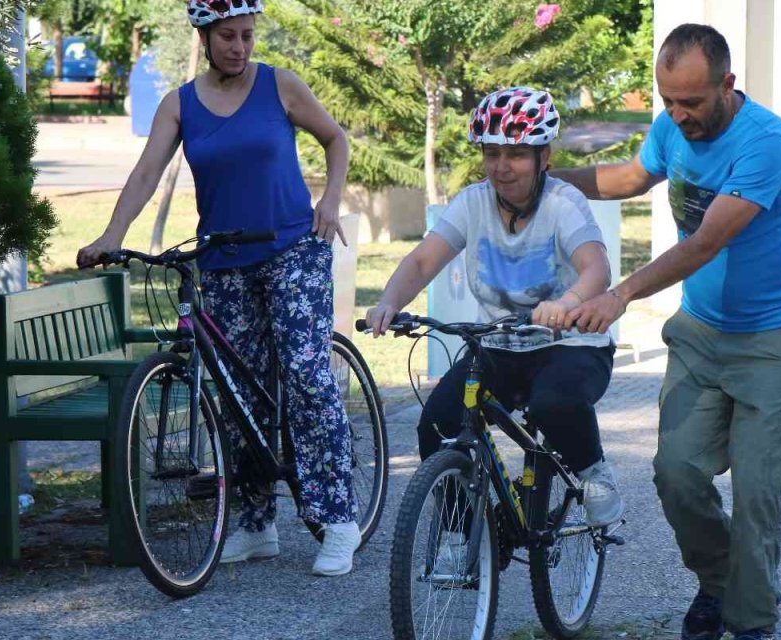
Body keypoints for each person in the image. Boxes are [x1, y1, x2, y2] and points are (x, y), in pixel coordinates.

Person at [76, 0, 362, 577]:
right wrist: (111, 234)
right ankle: (256, 525)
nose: (239, 46)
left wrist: (329, 200)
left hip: (291, 251)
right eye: (228, 36)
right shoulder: (179, 105)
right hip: (224, 261)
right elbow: (145, 173)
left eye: (248, 35)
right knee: (236, 394)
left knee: (306, 375)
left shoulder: (281, 86)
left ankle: (338, 519)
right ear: (205, 38)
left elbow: (336, 139)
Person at [554, 24, 781, 640]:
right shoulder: (672, 124)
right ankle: (720, 583)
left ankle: (750, 622)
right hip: (700, 334)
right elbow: (627, 179)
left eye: (692, 102)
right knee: (676, 473)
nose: (679, 115)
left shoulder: (766, 142)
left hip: (773, 341)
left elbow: (705, 241)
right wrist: (544, 176)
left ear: (727, 84)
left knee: (756, 492)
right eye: (669, 101)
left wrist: (620, 293)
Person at [365, 87, 625, 530]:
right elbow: (424, 259)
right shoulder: (473, 203)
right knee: (438, 423)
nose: (502, 167)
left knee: (553, 403)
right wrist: (389, 301)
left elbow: (595, 269)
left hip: (571, 343)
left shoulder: (563, 203)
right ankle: (460, 531)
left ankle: (594, 471)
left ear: (544, 158)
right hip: (499, 346)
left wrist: (566, 302)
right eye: (491, 153)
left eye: (517, 154)